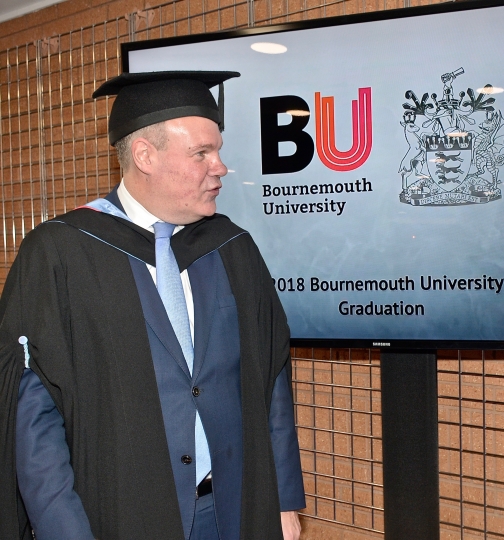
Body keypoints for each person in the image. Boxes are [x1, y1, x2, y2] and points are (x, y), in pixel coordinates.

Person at [0, 71, 305, 540]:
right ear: (145, 155)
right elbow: (33, 416)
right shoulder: (61, 254)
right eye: (201, 153)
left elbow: (271, 375)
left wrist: (283, 501)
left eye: (218, 150)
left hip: (235, 508)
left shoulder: (230, 248)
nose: (220, 166)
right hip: (117, 517)